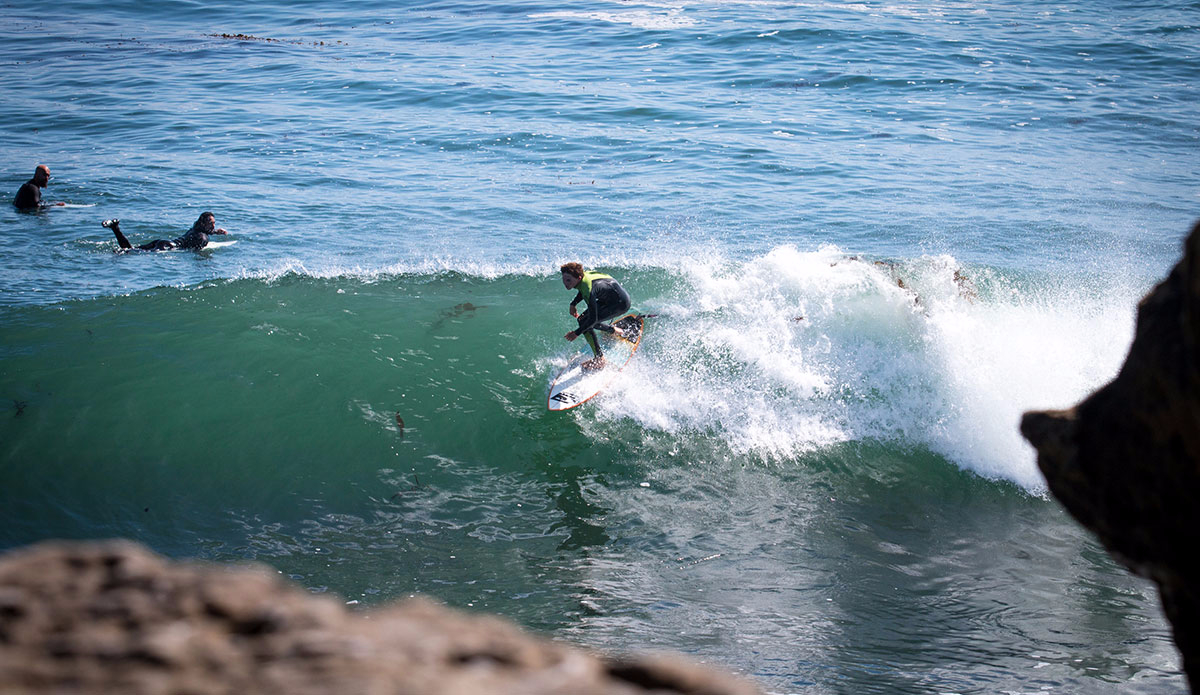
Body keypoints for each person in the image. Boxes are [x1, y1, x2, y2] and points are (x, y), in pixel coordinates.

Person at [560, 262, 631, 370]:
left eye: (568, 280)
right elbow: (582, 288)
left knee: (587, 322)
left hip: (620, 303)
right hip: (609, 299)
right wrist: (573, 304)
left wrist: (576, 333)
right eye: (564, 279)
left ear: (579, 278)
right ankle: (614, 330)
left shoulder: (589, 287)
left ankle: (599, 359)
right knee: (583, 320)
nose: (565, 283)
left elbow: (593, 319)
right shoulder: (583, 277)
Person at [103, 212, 228, 252]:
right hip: (168, 247)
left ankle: (115, 228)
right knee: (131, 252)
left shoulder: (195, 228)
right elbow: (195, 249)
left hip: (164, 242)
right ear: (204, 224)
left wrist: (215, 232)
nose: (213, 225)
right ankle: (116, 229)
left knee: (131, 250)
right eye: (211, 223)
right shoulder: (202, 238)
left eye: (214, 223)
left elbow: (203, 232)